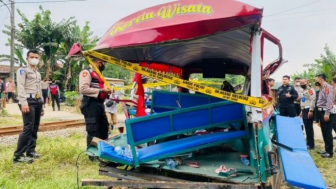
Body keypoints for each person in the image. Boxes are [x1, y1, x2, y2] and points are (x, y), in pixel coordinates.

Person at [13, 49, 44, 164]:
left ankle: (30, 151)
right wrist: (23, 102)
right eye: (32, 57)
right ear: (27, 58)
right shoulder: (22, 70)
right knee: (28, 127)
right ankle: (18, 156)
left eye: (36, 57)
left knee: (35, 127)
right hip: (28, 100)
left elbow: (39, 89)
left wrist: (42, 104)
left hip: (37, 100)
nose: (34, 59)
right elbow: (20, 86)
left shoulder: (38, 73)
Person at [79, 57, 111, 150]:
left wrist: (107, 91)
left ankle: (103, 152)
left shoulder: (98, 73)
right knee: (93, 130)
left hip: (100, 104)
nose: (104, 65)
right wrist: (102, 90)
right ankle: (92, 155)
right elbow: (83, 89)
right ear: (99, 62)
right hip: (90, 104)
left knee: (104, 128)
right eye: (104, 63)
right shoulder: (86, 72)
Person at [315, 74, 334, 158]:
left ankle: (329, 152)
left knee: (327, 132)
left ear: (321, 79)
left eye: (316, 79)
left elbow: (329, 101)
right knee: (324, 132)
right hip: (320, 112)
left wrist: (327, 114)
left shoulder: (328, 87)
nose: (316, 81)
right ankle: (326, 149)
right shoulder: (322, 88)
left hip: (326, 113)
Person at [299, 79, 316, 150]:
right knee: (306, 127)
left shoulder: (310, 90)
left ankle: (311, 144)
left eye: (303, 82)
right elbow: (303, 101)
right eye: (300, 83)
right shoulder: (303, 91)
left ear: (307, 83)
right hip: (304, 110)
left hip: (308, 110)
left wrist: (311, 110)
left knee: (309, 127)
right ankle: (308, 142)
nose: (301, 84)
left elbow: (313, 99)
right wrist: (301, 111)